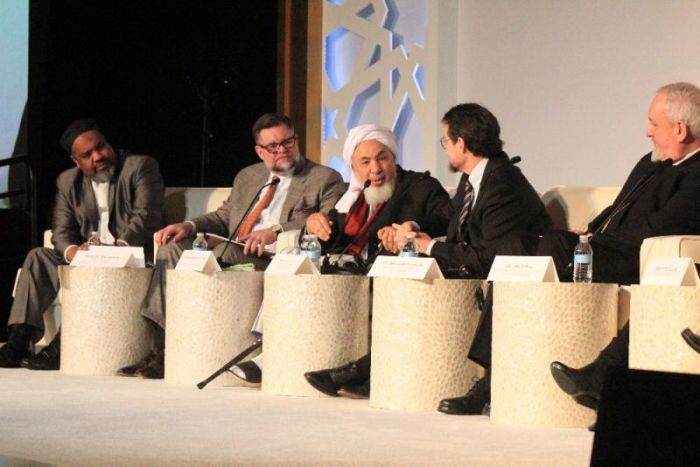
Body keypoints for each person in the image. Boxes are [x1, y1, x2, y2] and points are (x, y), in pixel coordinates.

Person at [304, 105, 551, 401]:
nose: (445, 148)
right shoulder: (475, 178)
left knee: (414, 273)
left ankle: (366, 370)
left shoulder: (501, 182)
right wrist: (418, 232)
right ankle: (371, 370)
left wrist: (427, 245)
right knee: (409, 271)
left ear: (461, 143)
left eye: (446, 141)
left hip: (513, 275)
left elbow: (494, 256)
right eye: (365, 161)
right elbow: (456, 225)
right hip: (475, 266)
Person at [116, 113, 345, 379]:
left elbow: (327, 221)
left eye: (288, 142)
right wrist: (188, 226)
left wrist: (274, 231)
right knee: (171, 248)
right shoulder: (248, 176)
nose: (282, 150)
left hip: (273, 258)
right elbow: (224, 217)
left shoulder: (324, 177)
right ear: (259, 151)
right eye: (273, 146)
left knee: (225, 251)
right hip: (231, 248)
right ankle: (163, 349)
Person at [233, 124, 453, 390]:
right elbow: (329, 236)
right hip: (340, 267)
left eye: (382, 157)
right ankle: (270, 352)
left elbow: (447, 220)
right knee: (289, 257)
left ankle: (267, 361)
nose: (376, 168)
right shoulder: (351, 196)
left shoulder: (420, 186)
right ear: (354, 166)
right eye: (365, 161)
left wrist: (413, 226)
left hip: (379, 269)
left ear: (394, 157)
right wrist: (313, 223)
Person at [548, 82, 700, 416]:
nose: (647, 132)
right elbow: (617, 208)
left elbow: (657, 229)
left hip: (638, 257)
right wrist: (588, 232)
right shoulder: (652, 163)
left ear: (679, 129)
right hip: (608, 248)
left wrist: (593, 244)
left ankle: (603, 383)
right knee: (540, 246)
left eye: (654, 124)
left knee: (546, 247)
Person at [0, 118, 165, 371]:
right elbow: (61, 230)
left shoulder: (140, 166)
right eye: (87, 155)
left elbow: (145, 217)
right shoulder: (68, 181)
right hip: (90, 256)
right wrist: (74, 251)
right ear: (76, 162)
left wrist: (115, 249)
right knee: (38, 256)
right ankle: (19, 341)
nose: (98, 156)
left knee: (96, 266)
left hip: (131, 257)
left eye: (101, 147)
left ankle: (61, 347)